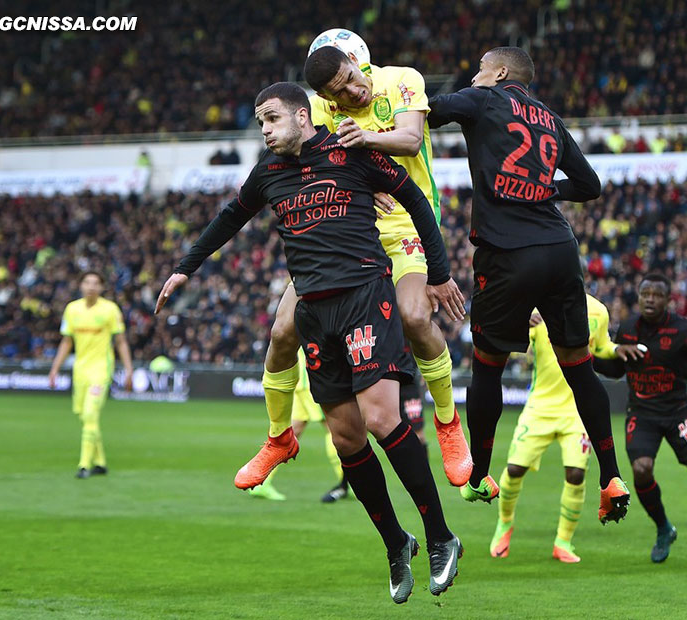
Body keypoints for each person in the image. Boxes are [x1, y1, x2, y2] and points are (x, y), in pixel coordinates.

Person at [155, 82, 464, 603]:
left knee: (383, 419)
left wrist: (438, 272)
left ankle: (440, 536)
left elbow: (414, 199)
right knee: (346, 439)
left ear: (303, 115)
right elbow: (232, 216)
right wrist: (187, 268)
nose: (266, 131)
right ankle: (396, 543)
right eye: (260, 124)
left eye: (272, 119)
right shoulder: (269, 173)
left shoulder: (352, 151)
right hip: (315, 312)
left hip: (365, 296)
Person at [237, 44, 473, 494]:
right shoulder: (320, 109)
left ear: (358, 63)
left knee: (415, 316)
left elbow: (409, 140)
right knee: (283, 329)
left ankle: (447, 424)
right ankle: (278, 437)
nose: (347, 94)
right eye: (333, 93)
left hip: (405, 219)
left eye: (348, 80)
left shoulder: (402, 78)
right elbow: (314, 155)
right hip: (343, 228)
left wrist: (365, 149)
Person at [426, 46, 629, 522]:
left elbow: (432, 112)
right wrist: (547, 189)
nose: (474, 75)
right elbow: (589, 185)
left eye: (479, 68)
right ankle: (612, 476)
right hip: (561, 249)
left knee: (488, 368)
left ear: (499, 72)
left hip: (508, 253)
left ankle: (478, 476)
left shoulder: (482, 99)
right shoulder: (549, 117)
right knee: (580, 368)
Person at [490, 296, 645, 562]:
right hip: (539, 405)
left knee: (575, 474)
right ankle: (504, 526)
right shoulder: (534, 305)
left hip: (576, 407)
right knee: (514, 469)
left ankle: (563, 542)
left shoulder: (598, 311)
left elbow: (601, 346)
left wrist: (616, 350)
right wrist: (518, 317)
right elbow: (499, 330)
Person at [594, 273, 687, 567]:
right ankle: (663, 528)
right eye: (645, 293)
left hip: (679, 413)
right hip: (642, 413)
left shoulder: (685, 331)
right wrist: (586, 358)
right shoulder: (629, 327)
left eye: (656, 295)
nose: (649, 299)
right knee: (641, 470)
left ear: (669, 300)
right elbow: (618, 370)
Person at [48, 271, 133, 478]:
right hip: (80, 370)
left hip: (101, 370)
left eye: (95, 283)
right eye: (87, 282)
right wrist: (54, 369)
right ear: (80, 285)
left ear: (102, 287)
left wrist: (129, 369)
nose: (91, 286)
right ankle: (100, 462)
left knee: (90, 414)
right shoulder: (72, 309)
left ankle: (84, 465)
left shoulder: (110, 309)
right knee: (84, 416)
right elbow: (67, 341)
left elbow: (120, 341)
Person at [247, 347, 347, 503]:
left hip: (299, 379)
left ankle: (262, 481)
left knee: (290, 432)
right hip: (308, 380)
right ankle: (347, 482)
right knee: (332, 427)